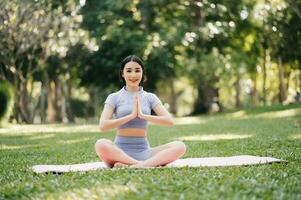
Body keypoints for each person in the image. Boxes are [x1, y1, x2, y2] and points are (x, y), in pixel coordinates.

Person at [95, 55, 186, 168]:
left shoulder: (150, 97)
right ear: (122, 73)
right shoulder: (114, 97)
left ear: (143, 73)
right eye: (129, 71)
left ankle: (133, 164)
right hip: (119, 153)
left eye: (137, 70)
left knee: (179, 146)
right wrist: (131, 116)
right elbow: (103, 126)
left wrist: (143, 116)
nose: (133, 75)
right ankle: (142, 165)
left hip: (145, 152)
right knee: (100, 144)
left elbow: (169, 121)